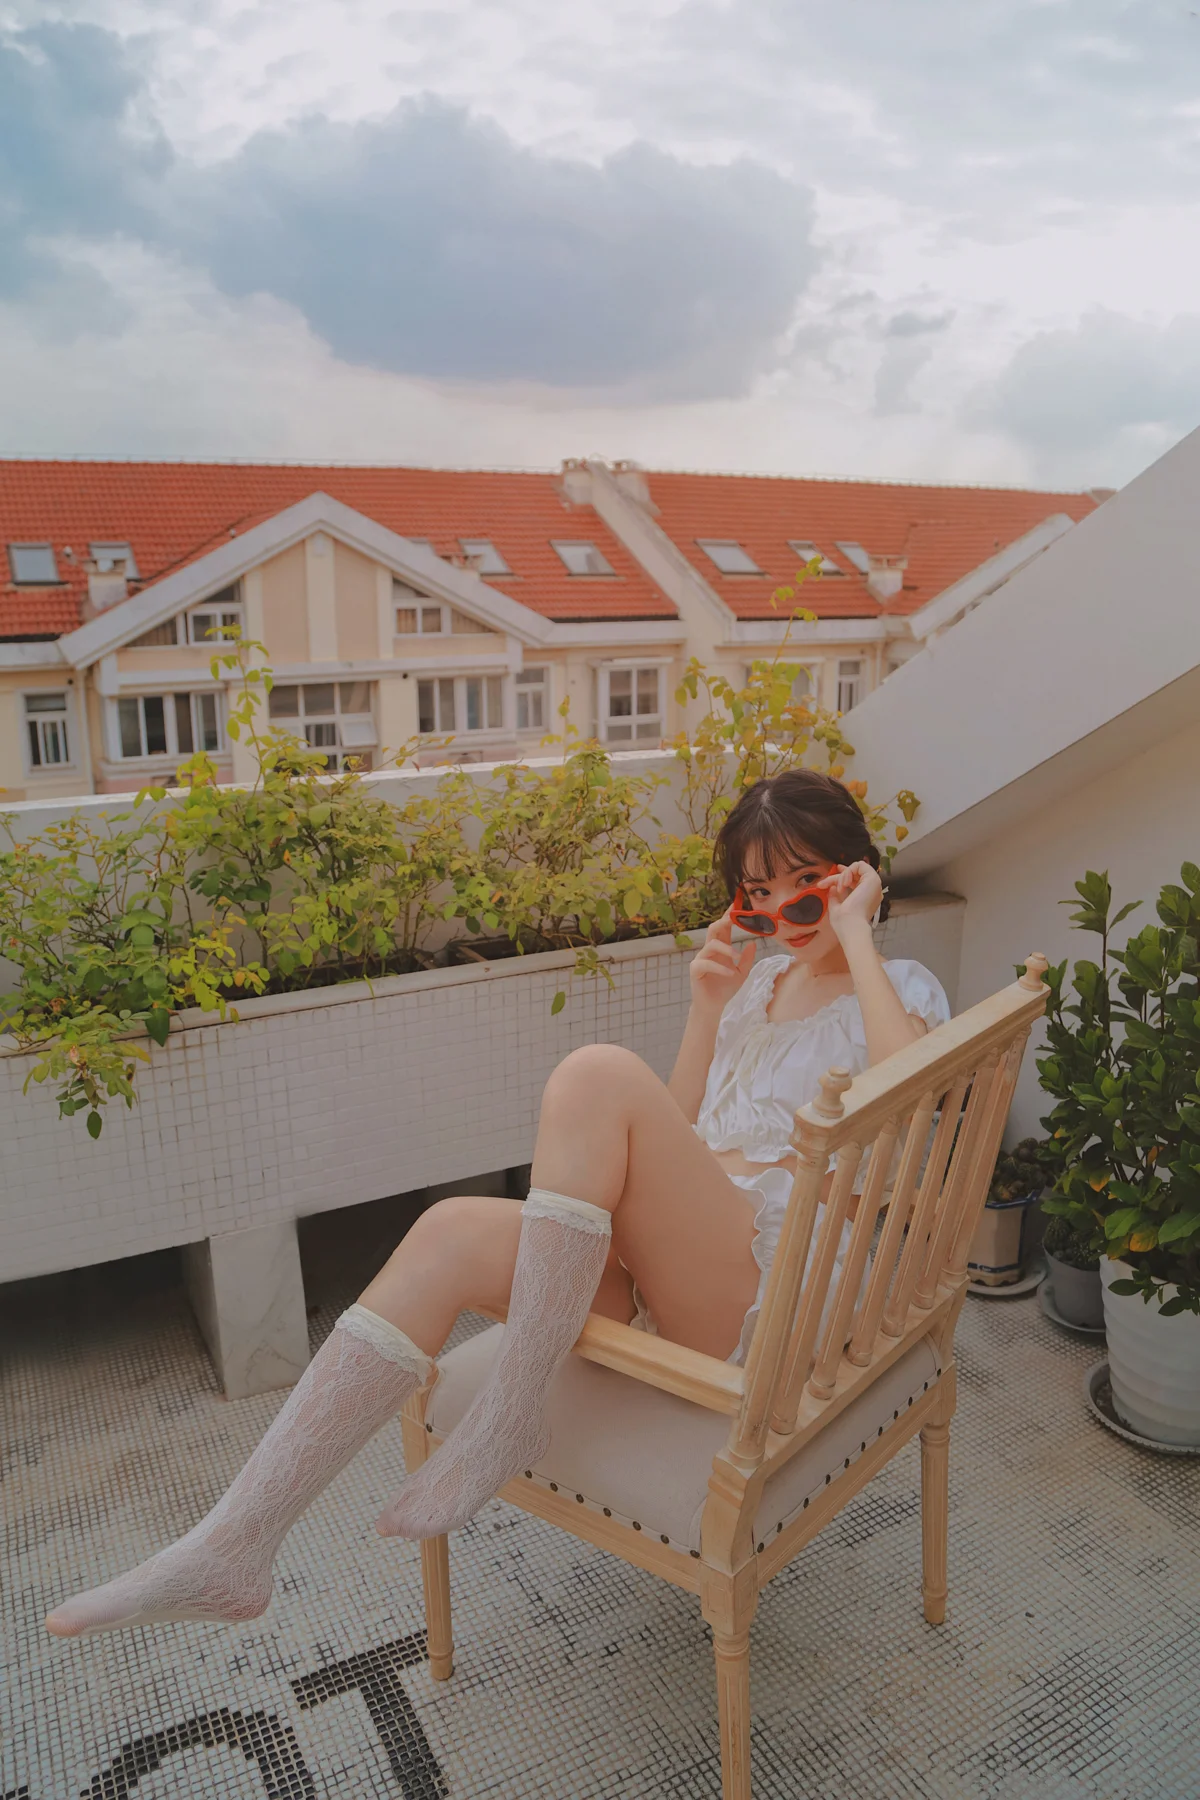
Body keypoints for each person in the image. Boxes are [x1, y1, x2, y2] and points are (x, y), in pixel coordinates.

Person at [46, 769, 949, 1640]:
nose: (784, 915)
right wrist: (708, 1007)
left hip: (776, 1289)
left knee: (595, 1072)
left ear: (855, 877)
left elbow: (916, 1122)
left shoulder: (900, 990)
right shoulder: (757, 988)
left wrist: (859, 938)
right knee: (449, 1230)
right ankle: (233, 1543)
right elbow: (676, 1135)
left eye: (806, 887)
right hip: (678, 1269)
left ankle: (510, 1415)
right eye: (757, 898)